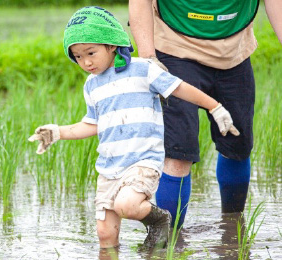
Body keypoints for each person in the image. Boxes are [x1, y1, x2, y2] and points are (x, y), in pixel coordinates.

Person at [28, 6, 239, 250]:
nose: (85, 62)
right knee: (105, 235)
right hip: (109, 167)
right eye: (77, 56)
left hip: (142, 162)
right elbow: (91, 124)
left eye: (91, 52)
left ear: (112, 45)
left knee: (127, 205)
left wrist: (215, 107)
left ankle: (160, 219)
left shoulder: (142, 69)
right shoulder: (91, 85)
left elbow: (180, 88)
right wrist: (57, 132)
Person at [128, 0, 282, 228]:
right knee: (179, 152)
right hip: (175, 50)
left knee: (237, 146)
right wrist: (149, 59)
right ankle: (168, 240)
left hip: (233, 54)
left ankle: (232, 229)